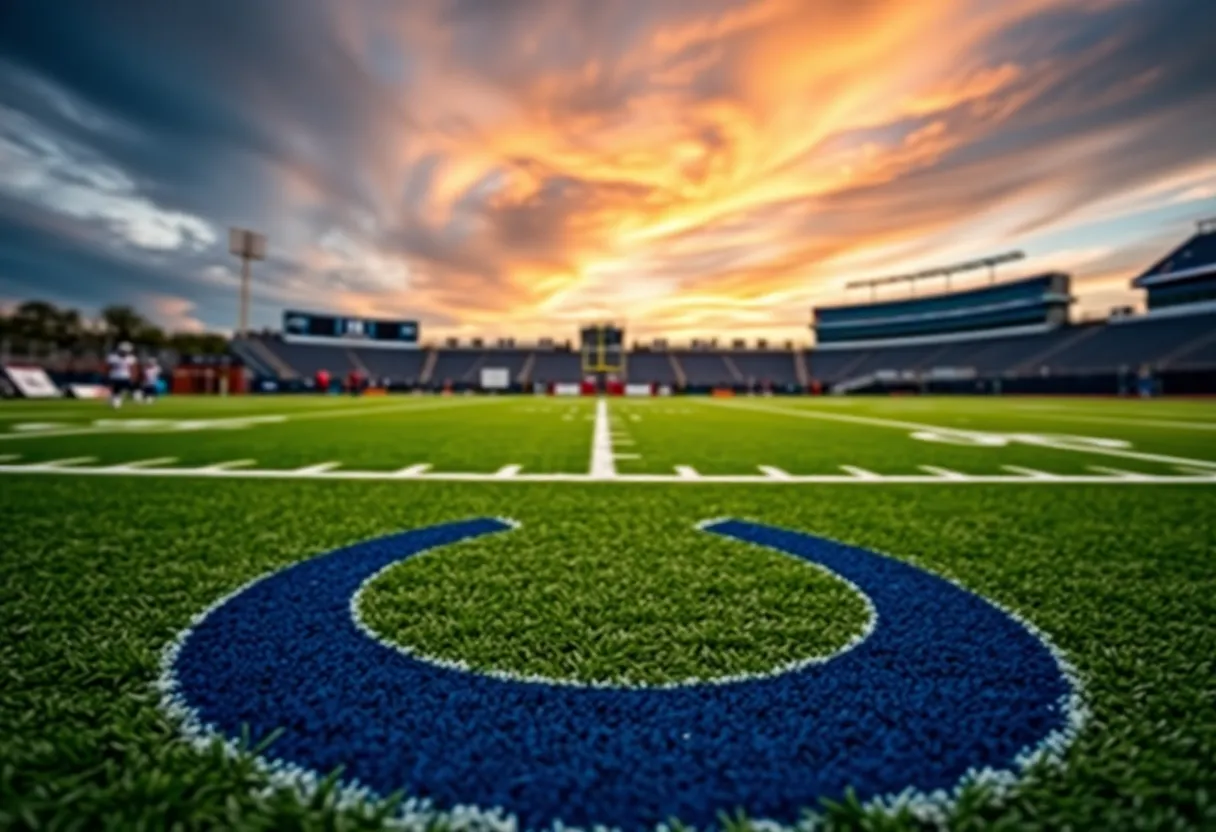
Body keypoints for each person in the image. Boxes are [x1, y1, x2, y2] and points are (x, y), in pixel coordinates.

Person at [106, 341, 137, 409]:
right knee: (116, 390)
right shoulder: (113, 357)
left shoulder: (131, 358)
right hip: (115, 376)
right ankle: (115, 400)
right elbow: (108, 367)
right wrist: (107, 375)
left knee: (130, 388)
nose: (125, 353)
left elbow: (132, 369)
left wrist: (133, 376)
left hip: (125, 376)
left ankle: (134, 396)